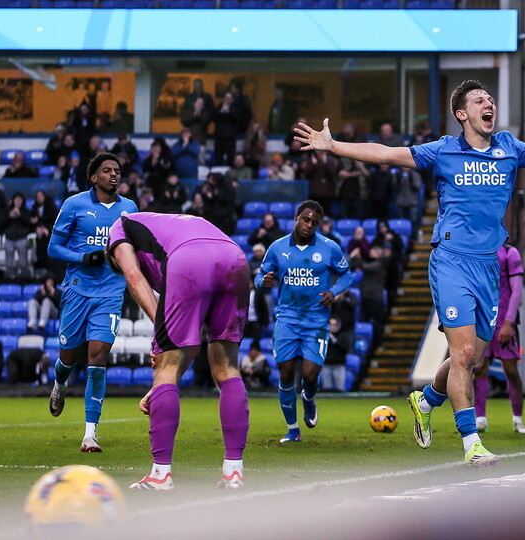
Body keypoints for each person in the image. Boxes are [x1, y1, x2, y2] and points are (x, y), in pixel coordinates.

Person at [294, 79, 525, 466]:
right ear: (461, 114)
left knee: (475, 359)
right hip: (450, 260)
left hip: (488, 265)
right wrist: (334, 146)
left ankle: (426, 398)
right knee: (464, 353)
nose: (489, 104)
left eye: (491, 99)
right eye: (479, 100)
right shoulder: (443, 151)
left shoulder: (510, 148)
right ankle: (471, 444)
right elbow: (385, 154)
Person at [106, 212, 251, 490]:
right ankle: (234, 472)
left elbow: (134, 277)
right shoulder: (166, 223)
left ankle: (160, 475)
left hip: (189, 259)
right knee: (227, 367)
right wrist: (159, 387)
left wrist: (158, 327)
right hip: (234, 257)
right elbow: (192, 343)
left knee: (165, 367)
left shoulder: (118, 229)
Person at [47, 152, 139, 453]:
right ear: (93, 177)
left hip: (111, 292)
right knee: (68, 358)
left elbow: (136, 249)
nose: (114, 175)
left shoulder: (130, 209)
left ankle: (90, 434)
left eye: (117, 170)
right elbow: (54, 248)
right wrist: (83, 257)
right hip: (77, 290)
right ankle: (60, 382)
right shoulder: (74, 204)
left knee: (97, 358)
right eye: (107, 170)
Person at [254, 200, 352, 443]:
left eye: (314, 222)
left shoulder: (330, 248)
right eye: (306, 219)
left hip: (316, 321)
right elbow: (259, 275)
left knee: (309, 375)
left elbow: (346, 275)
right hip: (287, 318)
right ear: (297, 217)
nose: (309, 225)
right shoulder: (277, 247)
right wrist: (262, 282)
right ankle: (293, 430)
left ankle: (309, 398)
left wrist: (333, 292)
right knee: (285, 373)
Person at [473, 243, 525, 434]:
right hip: (482, 320)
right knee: (479, 369)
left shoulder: (510, 252)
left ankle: (518, 420)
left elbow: (517, 291)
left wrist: (509, 322)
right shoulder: (479, 249)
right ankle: (480, 419)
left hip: (504, 321)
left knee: (511, 370)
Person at [2, 192, 34, 279]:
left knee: (23, 262)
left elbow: (30, 224)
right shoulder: (7, 211)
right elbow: (0, 224)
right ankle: (9, 278)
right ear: (13, 201)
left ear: (23, 201)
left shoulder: (27, 211)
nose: (18, 201)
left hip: (22, 238)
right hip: (9, 238)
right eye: (16, 199)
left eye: (20, 200)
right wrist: (9, 216)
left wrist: (20, 215)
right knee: (8, 263)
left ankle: (23, 278)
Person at [30, 189, 59, 275]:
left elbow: (55, 221)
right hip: (37, 233)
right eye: (37, 196)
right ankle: (40, 267)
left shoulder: (51, 207)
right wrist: (37, 227)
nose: (39, 198)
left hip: (51, 231)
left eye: (40, 196)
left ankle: (49, 268)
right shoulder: (34, 208)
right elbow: (31, 222)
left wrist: (46, 229)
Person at [321, 316, 352, 392]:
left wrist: (334, 340)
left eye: (334, 324)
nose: (332, 326)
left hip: (339, 365)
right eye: (330, 324)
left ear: (338, 325)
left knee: (339, 388)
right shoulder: (323, 336)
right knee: (326, 388)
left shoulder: (343, 336)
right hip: (326, 365)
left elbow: (346, 348)